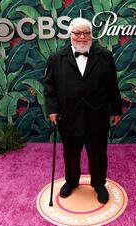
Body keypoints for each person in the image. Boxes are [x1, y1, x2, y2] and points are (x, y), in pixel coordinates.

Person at [43, 17, 122, 204]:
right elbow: (49, 87)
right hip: (68, 116)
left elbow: (113, 85)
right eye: (77, 33)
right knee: (70, 153)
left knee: (98, 154)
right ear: (70, 34)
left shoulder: (105, 56)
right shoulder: (56, 58)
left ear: (91, 35)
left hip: (97, 115)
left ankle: (99, 184)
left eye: (86, 33)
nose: (82, 37)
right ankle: (71, 181)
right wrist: (52, 109)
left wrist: (116, 109)